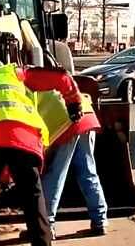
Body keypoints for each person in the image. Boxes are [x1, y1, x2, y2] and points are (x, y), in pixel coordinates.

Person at [0, 45, 82, 246]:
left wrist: (0, 173)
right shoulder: (15, 72)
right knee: (32, 195)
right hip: (22, 137)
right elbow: (60, 77)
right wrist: (73, 101)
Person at [37, 91, 108, 236]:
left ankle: (47, 225)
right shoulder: (49, 80)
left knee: (56, 173)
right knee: (88, 170)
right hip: (86, 116)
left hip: (67, 121)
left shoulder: (28, 90)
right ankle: (100, 221)